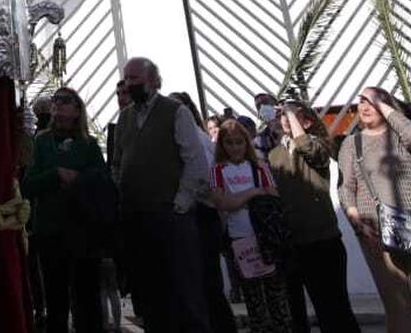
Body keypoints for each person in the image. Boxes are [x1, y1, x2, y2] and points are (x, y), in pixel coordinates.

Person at [339, 86, 411, 333]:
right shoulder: (352, 144)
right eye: (360, 101)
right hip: (377, 231)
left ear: (387, 105)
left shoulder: (402, 137)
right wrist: (357, 222)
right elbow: (346, 187)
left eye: (371, 101)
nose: (364, 106)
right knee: (397, 307)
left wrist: (383, 106)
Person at [111, 56, 212, 332]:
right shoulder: (125, 117)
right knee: (150, 296)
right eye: (126, 79)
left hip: (172, 218)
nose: (129, 84)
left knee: (185, 294)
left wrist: (180, 203)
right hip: (137, 220)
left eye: (135, 78)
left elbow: (195, 162)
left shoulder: (175, 112)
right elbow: (118, 161)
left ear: (154, 80)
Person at [267, 100, 361, 333]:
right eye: (283, 117)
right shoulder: (275, 154)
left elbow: (308, 149)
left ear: (306, 122)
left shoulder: (317, 145)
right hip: (294, 240)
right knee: (312, 307)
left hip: (323, 238)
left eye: (293, 116)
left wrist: (291, 111)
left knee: (336, 308)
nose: (286, 120)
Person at [24, 87, 109, 333]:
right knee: (55, 298)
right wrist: (56, 174)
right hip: (51, 230)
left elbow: (103, 182)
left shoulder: (89, 145)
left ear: (77, 110)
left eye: (65, 100)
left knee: (87, 299)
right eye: (55, 100)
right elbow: (28, 185)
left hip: (83, 231)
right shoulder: (41, 142)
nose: (58, 104)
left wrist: (78, 179)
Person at [211, 119, 291, 333]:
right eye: (229, 143)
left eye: (239, 142)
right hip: (240, 240)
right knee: (254, 301)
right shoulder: (218, 170)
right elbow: (222, 202)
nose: (235, 147)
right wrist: (253, 192)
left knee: (277, 299)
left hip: (265, 237)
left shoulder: (258, 167)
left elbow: (272, 195)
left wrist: (238, 199)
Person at [172, 90, 239, 333]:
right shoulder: (193, 139)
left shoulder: (197, 140)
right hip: (203, 214)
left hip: (201, 213)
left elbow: (205, 179)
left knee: (206, 285)